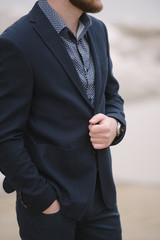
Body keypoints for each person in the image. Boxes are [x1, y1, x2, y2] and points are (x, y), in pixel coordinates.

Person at [0, 0, 126, 239]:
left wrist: (115, 126)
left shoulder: (98, 30)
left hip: (102, 200)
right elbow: (4, 135)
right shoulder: (16, 42)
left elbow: (111, 95)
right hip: (49, 208)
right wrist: (44, 199)